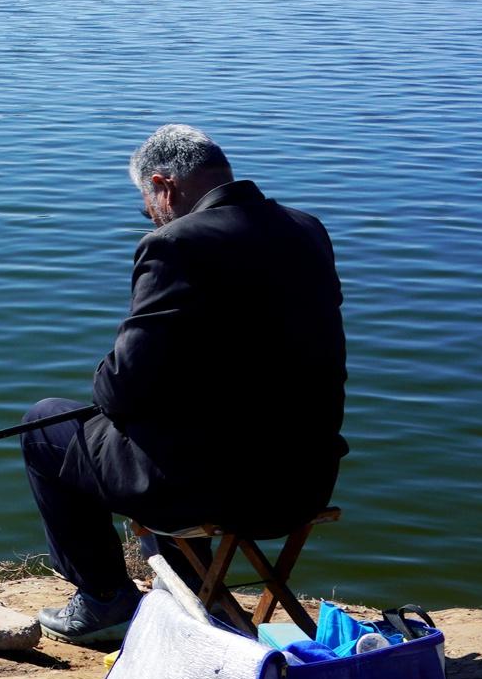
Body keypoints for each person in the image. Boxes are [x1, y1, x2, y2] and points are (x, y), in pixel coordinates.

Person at [25, 125, 346, 645]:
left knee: (44, 423)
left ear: (163, 186)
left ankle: (104, 600)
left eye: (147, 202)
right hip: (301, 483)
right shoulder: (305, 229)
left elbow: (121, 387)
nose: (150, 214)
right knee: (180, 429)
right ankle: (197, 586)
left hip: (211, 491)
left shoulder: (175, 244)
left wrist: (111, 381)